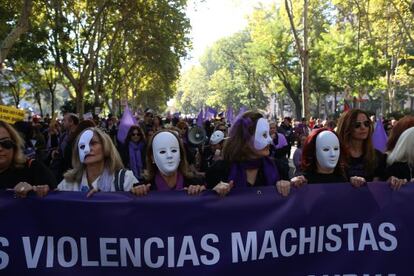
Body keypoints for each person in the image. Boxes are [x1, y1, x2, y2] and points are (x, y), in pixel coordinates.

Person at [205, 111, 290, 196]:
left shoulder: (278, 169)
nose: (270, 140)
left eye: (268, 134)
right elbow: (206, 202)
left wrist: (293, 185)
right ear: (245, 140)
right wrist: (211, 192)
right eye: (264, 135)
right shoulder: (220, 171)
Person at [57, 127, 138, 195]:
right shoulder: (68, 182)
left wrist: (139, 191)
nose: (87, 150)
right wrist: (46, 192)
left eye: (93, 143)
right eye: (82, 146)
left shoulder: (125, 179)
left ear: (106, 146)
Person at [130, 130, 205, 196]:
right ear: (152, 158)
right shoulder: (144, 188)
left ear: (180, 155)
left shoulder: (196, 183)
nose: (169, 156)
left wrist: (201, 192)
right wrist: (137, 194)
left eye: (173, 151)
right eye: (162, 152)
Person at [0, 120, 56, 197]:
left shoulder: (34, 168)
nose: (0, 148)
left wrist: (37, 191)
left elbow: (56, 198)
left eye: (5, 143)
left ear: (15, 145)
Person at [336, 109, 386, 187]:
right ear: (346, 127)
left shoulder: (377, 156)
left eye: (366, 123)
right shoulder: (335, 156)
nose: (363, 127)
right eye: (357, 125)